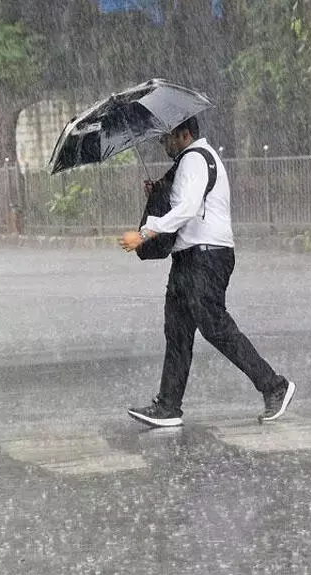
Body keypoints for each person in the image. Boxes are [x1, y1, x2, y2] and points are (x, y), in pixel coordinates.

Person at [118, 117, 295, 428]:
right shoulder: (194, 160)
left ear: (185, 134)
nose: (164, 144)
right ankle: (169, 405)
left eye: (167, 138)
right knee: (177, 332)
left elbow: (186, 209)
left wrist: (145, 233)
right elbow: (185, 204)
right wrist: (160, 193)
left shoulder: (195, 160)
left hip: (207, 257)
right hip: (189, 258)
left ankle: (274, 386)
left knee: (215, 327)